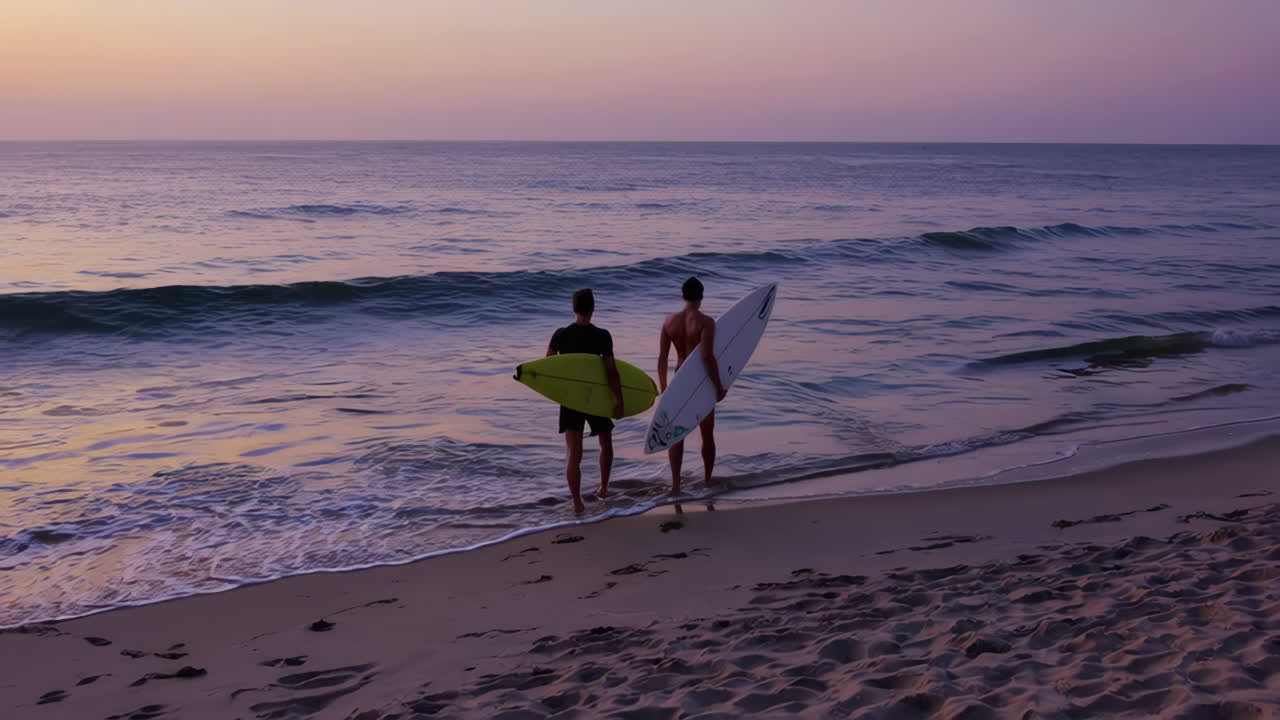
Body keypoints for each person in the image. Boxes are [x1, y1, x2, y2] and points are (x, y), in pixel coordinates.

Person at [547, 288, 624, 514]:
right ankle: (603, 489)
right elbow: (611, 372)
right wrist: (618, 400)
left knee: (573, 452)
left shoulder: (560, 335)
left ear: (574, 308)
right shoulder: (602, 335)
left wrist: (559, 393)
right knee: (606, 442)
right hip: (595, 396)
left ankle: (578, 502)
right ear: (592, 309)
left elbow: (548, 366)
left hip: (571, 398)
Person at [657, 277, 726, 496]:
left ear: (683, 295)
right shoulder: (706, 322)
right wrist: (719, 386)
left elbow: (662, 358)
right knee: (707, 432)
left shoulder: (669, 322)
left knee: (677, 435)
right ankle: (707, 481)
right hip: (701, 381)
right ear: (701, 296)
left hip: (679, 378)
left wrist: (664, 387)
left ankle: (676, 486)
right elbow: (706, 356)